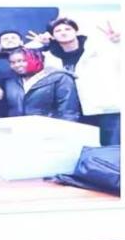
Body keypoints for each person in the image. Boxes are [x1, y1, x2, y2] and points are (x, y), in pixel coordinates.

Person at [33, 17, 120, 145]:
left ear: (76, 31)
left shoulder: (96, 49)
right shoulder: (51, 57)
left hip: (105, 108)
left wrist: (117, 43)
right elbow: (23, 55)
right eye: (58, 31)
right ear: (52, 36)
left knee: (112, 148)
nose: (63, 32)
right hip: (74, 112)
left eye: (68, 29)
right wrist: (39, 43)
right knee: (85, 150)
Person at [4, 48, 81, 121]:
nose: (17, 65)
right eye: (12, 62)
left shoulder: (60, 78)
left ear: (36, 60)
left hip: (49, 127)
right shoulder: (11, 81)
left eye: (22, 61)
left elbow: (68, 112)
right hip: (19, 127)